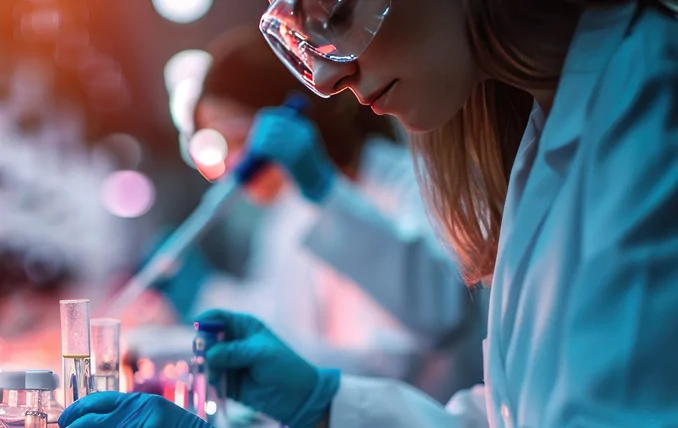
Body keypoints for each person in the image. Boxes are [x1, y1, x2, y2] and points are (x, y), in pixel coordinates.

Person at [59, 0, 678, 427]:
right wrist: (323, 403)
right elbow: (506, 417)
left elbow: (434, 312)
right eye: (303, 41)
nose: (326, 79)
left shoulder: (652, 106)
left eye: (337, 13)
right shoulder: (550, 132)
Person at [183, 26, 484, 400]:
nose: (231, 165)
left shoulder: (413, 182)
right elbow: (281, 322)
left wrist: (324, 191)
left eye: (237, 139)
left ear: (288, 115)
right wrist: (198, 305)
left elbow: (439, 314)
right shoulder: (292, 213)